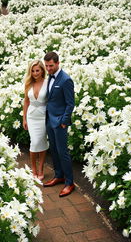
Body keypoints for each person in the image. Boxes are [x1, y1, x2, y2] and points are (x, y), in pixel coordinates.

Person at [43, 51, 75, 197]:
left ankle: (69, 183)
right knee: (54, 150)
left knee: (63, 152)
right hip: (49, 119)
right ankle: (58, 175)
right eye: (46, 66)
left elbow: (70, 104)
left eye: (50, 66)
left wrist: (64, 121)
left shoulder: (66, 79)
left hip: (60, 122)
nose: (48, 69)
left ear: (57, 63)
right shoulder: (49, 77)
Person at [23, 60, 49, 181]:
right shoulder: (28, 84)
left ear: (42, 70)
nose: (35, 73)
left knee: (42, 142)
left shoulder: (48, 83)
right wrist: (24, 119)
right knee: (34, 142)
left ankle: (41, 169)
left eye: (37, 70)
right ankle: (33, 168)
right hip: (31, 116)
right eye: (32, 71)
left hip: (43, 116)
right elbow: (26, 101)